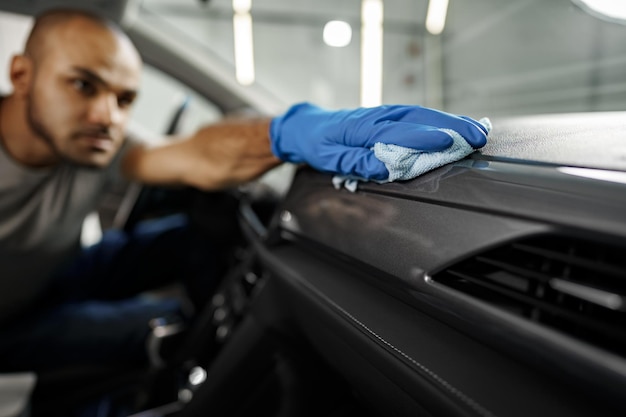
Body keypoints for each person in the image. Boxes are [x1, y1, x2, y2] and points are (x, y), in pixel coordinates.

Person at [0, 8, 488, 374]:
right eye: (83, 85)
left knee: (193, 237)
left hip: (59, 272)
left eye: (124, 98)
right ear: (21, 75)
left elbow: (194, 153)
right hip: (11, 322)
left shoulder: (96, 145)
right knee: (171, 325)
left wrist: (286, 134)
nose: (108, 116)